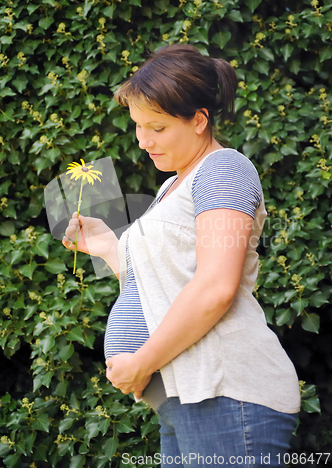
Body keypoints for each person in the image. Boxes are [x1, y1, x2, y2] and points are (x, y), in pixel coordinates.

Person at [63, 44, 301, 467]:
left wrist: (141, 362)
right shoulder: (170, 187)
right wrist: (107, 247)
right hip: (185, 401)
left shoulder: (223, 169)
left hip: (228, 397)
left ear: (199, 120)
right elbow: (156, 286)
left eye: (156, 127)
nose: (142, 140)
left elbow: (215, 287)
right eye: (137, 126)